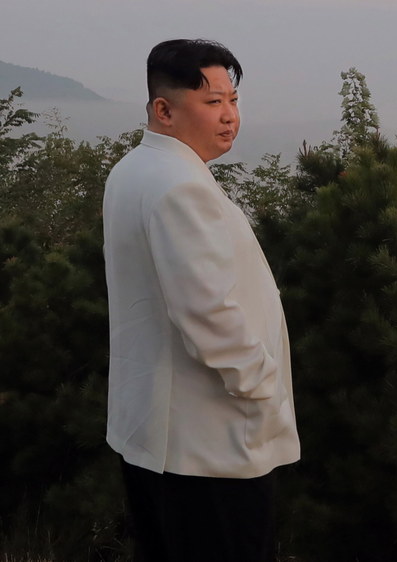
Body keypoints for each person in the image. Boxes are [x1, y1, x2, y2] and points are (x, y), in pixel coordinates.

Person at [102, 39, 299, 561]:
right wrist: (262, 386)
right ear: (163, 110)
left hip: (155, 433)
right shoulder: (179, 186)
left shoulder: (134, 170)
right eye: (212, 103)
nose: (229, 117)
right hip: (208, 442)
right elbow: (206, 312)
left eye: (232, 100)